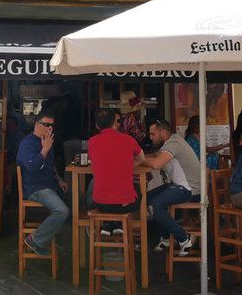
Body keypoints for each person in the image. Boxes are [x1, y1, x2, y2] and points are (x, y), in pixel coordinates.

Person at [143, 119, 202, 254]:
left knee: (154, 205)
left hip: (190, 189)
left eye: (153, 134)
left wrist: (138, 159)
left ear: (163, 132)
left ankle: (185, 238)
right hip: (180, 185)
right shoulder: (171, 142)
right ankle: (165, 238)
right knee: (146, 199)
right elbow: (154, 156)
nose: (150, 137)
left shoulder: (174, 143)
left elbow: (156, 164)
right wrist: (137, 158)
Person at [17, 113, 69, 257]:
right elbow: (32, 167)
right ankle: (35, 240)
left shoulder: (46, 140)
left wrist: (59, 179)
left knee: (77, 201)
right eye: (47, 125)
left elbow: (51, 165)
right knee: (62, 211)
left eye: (52, 125)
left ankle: (55, 236)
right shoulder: (27, 143)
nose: (50, 128)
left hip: (51, 185)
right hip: (36, 188)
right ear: (37, 125)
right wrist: (45, 149)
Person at [87, 108, 145, 235]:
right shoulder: (128, 140)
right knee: (137, 189)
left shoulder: (92, 142)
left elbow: (95, 165)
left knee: (108, 191)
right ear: (115, 122)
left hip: (100, 203)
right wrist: (128, 165)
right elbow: (142, 158)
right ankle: (118, 225)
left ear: (97, 126)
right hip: (125, 204)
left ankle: (108, 225)